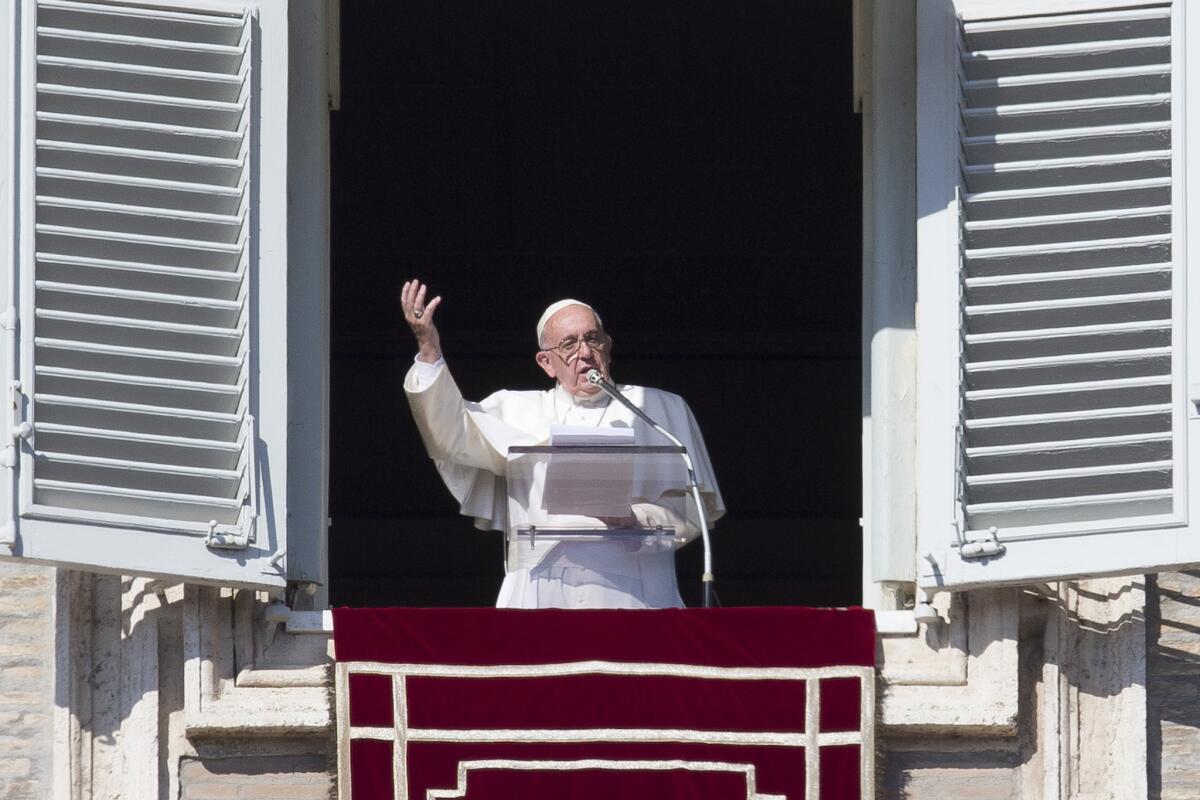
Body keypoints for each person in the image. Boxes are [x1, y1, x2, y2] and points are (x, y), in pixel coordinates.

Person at [400, 279, 724, 608]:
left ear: (608, 346)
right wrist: (429, 351)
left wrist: (635, 519)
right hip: (540, 592)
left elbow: (695, 509)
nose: (584, 352)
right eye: (568, 344)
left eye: (592, 339)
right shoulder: (516, 410)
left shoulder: (660, 410)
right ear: (546, 363)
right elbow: (451, 432)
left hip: (636, 595)